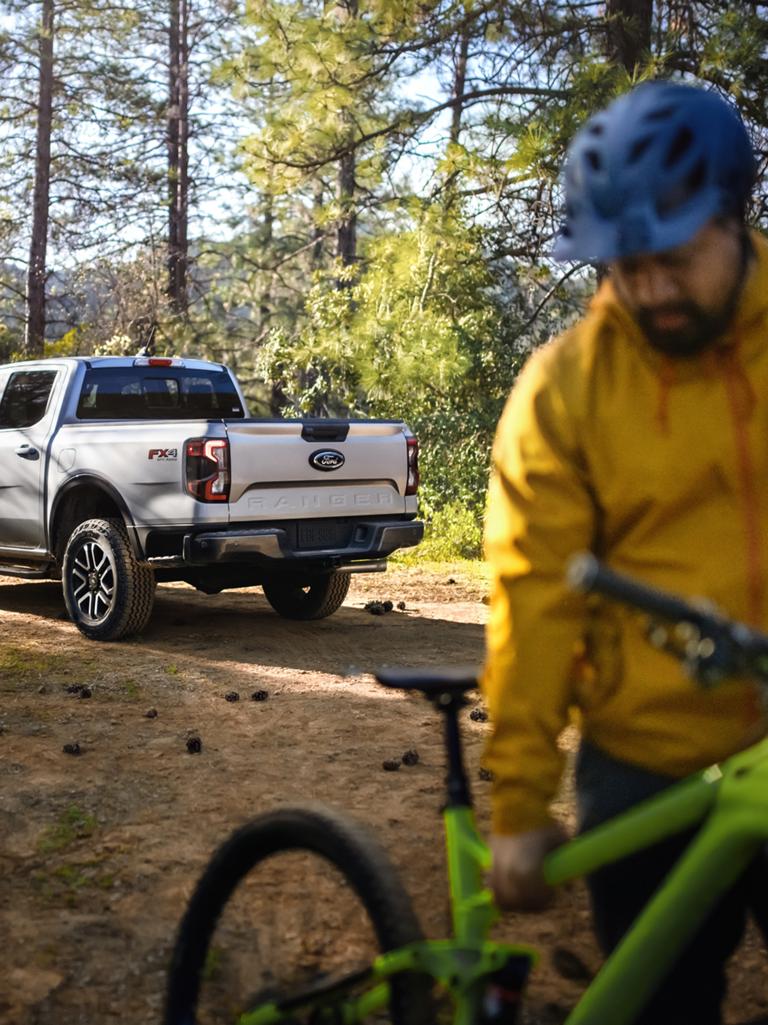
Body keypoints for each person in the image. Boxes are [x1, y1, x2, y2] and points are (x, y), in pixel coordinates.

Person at [481, 79, 768, 1025]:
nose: (649, 288)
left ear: (737, 217)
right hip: (646, 756)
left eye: (675, 257)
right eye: (623, 263)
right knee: (663, 1003)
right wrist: (521, 801)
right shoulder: (564, 391)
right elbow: (532, 594)